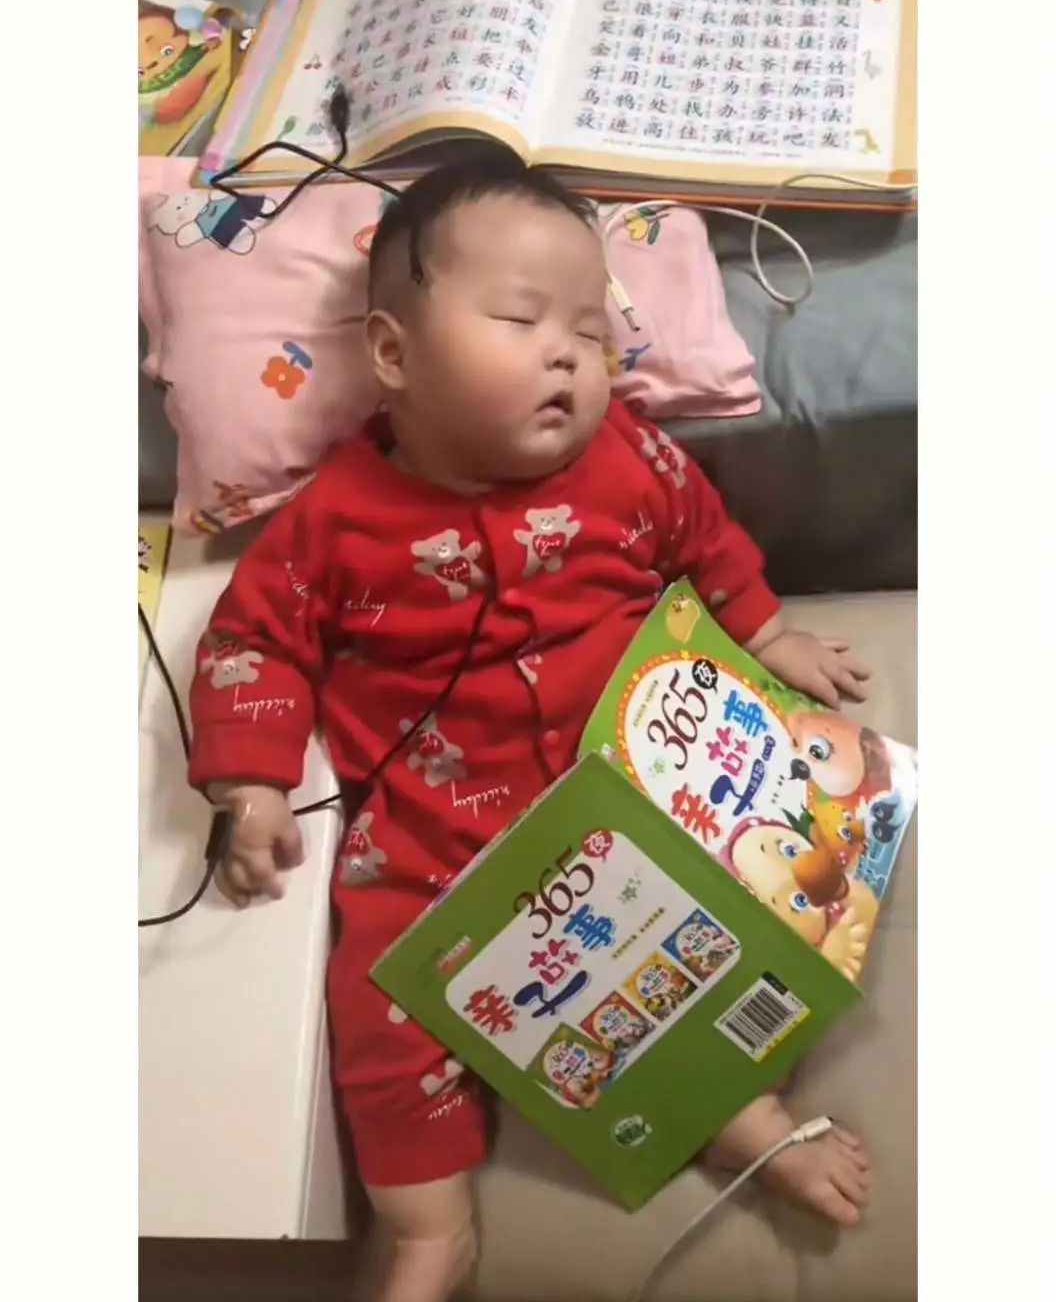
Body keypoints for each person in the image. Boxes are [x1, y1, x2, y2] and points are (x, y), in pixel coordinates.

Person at [188, 154, 873, 1302]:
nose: (569, 353)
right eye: (520, 320)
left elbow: (701, 536)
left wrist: (767, 630)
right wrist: (249, 782)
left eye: (592, 335)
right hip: (435, 847)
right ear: (394, 354)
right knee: (382, 1006)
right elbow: (252, 638)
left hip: (642, 794)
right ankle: (427, 1229)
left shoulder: (632, 459)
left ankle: (735, 1112)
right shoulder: (335, 521)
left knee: (706, 926)